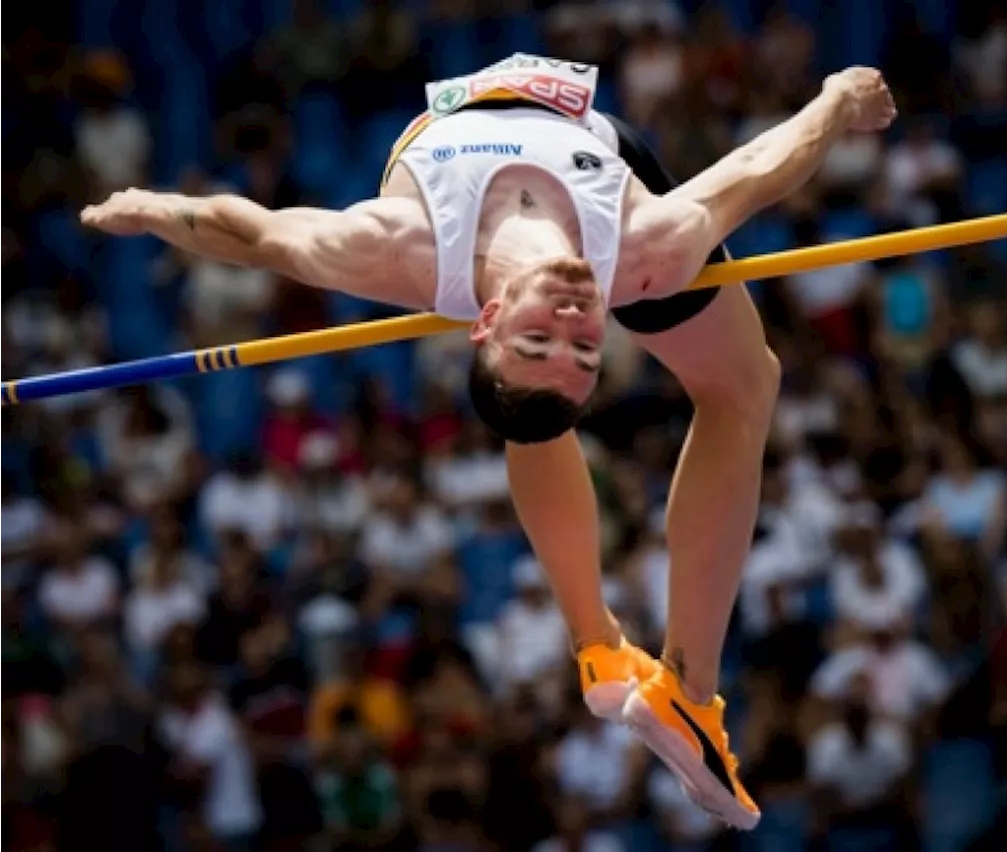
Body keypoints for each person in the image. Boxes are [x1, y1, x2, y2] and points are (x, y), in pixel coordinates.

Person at [81, 52, 898, 829]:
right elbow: (758, 169)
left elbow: (253, 232)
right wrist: (833, 103)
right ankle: (684, 685)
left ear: (486, 319)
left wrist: (155, 210)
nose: (576, 326)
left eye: (539, 338)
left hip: (447, 166)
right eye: (584, 351)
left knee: (553, 403)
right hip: (605, 164)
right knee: (743, 387)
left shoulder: (393, 244)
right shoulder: (645, 249)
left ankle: (608, 655)